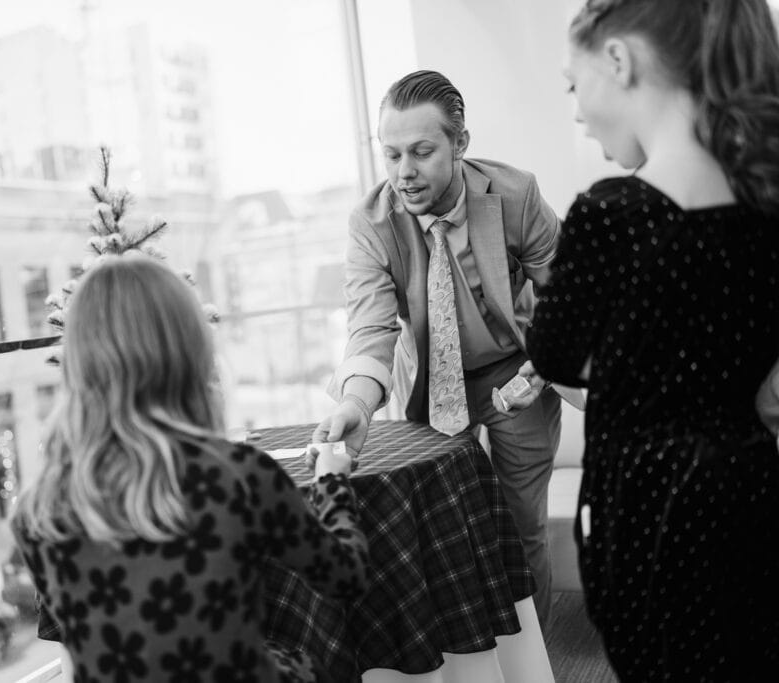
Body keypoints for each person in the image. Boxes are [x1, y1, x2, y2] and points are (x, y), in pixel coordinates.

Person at [527, 0, 779, 679]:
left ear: (619, 59)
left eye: (573, 86)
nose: (577, 112)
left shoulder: (613, 215)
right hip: (753, 489)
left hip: (648, 507)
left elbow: (550, 352)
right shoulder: (766, 203)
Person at [12, 254, 369, 683]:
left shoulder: (37, 508)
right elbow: (344, 578)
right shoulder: (239, 477)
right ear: (189, 351)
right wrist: (332, 480)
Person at [314, 69, 578, 627]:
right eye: (391, 155)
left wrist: (551, 363)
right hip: (430, 387)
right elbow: (370, 330)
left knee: (522, 527)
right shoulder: (371, 224)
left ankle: (538, 663)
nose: (404, 173)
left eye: (421, 151)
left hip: (517, 377)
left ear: (460, 143)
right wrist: (356, 405)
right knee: (444, 537)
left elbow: (569, 297)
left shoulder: (515, 193)